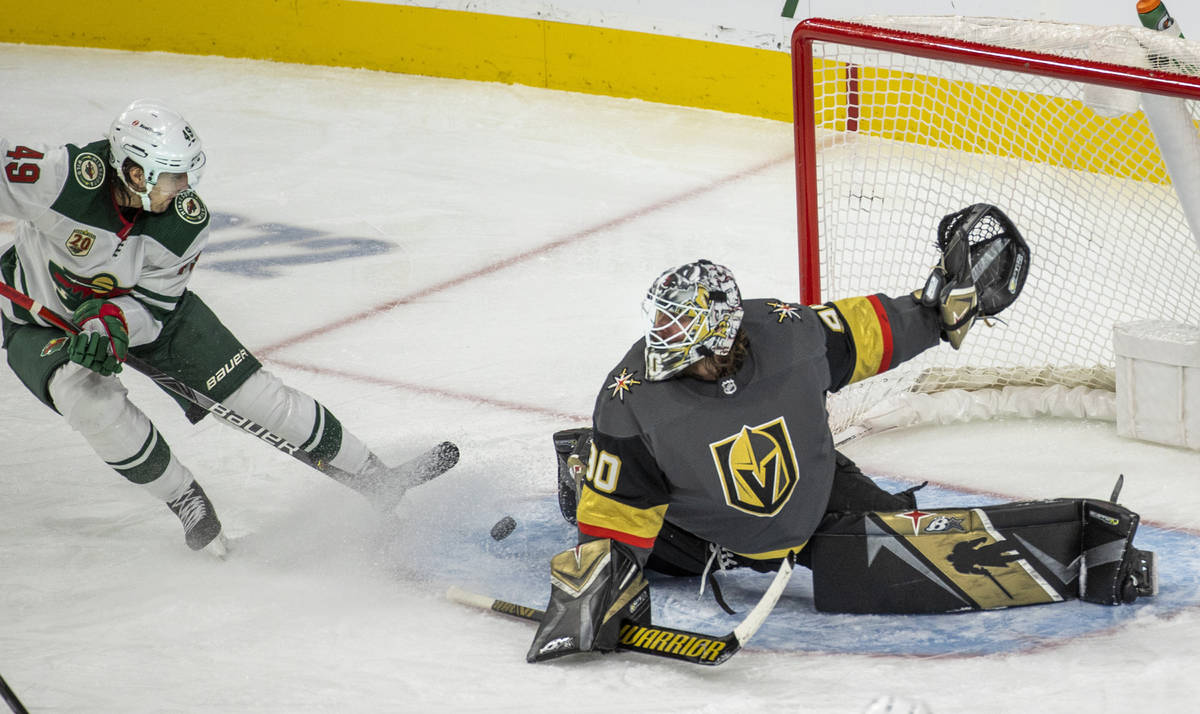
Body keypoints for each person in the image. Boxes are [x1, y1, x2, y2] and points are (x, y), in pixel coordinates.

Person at [528, 204, 1156, 663]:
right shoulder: (630, 399)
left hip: (817, 487)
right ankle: (582, 465)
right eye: (661, 337)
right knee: (627, 543)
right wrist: (596, 586)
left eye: (681, 343)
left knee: (906, 548)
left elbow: (869, 331)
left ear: (722, 335)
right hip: (696, 529)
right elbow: (620, 513)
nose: (662, 355)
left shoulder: (788, 333)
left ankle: (1081, 555)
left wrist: (939, 308)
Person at [0, 100, 457, 556]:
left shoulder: (183, 222)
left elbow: (154, 306)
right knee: (88, 400)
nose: (183, 189)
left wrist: (111, 323)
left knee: (258, 398)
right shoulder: (62, 177)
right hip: (38, 320)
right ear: (135, 173)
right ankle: (185, 499)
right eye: (172, 176)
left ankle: (377, 477)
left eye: (186, 176)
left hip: (140, 314)